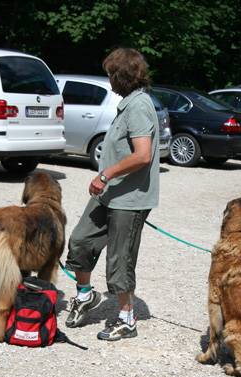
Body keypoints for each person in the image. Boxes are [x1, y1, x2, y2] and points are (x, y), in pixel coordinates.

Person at [64, 47, 160, 341]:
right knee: (80, 241)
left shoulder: (140, 106)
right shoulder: (128, 105)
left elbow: (143, 155)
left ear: (121, 76)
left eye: (110, 74)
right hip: (109, 194)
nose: (108, 80)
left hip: (129, 200)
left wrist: (106, 174)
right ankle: (85, 295)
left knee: (119, 261)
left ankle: (126, 319)